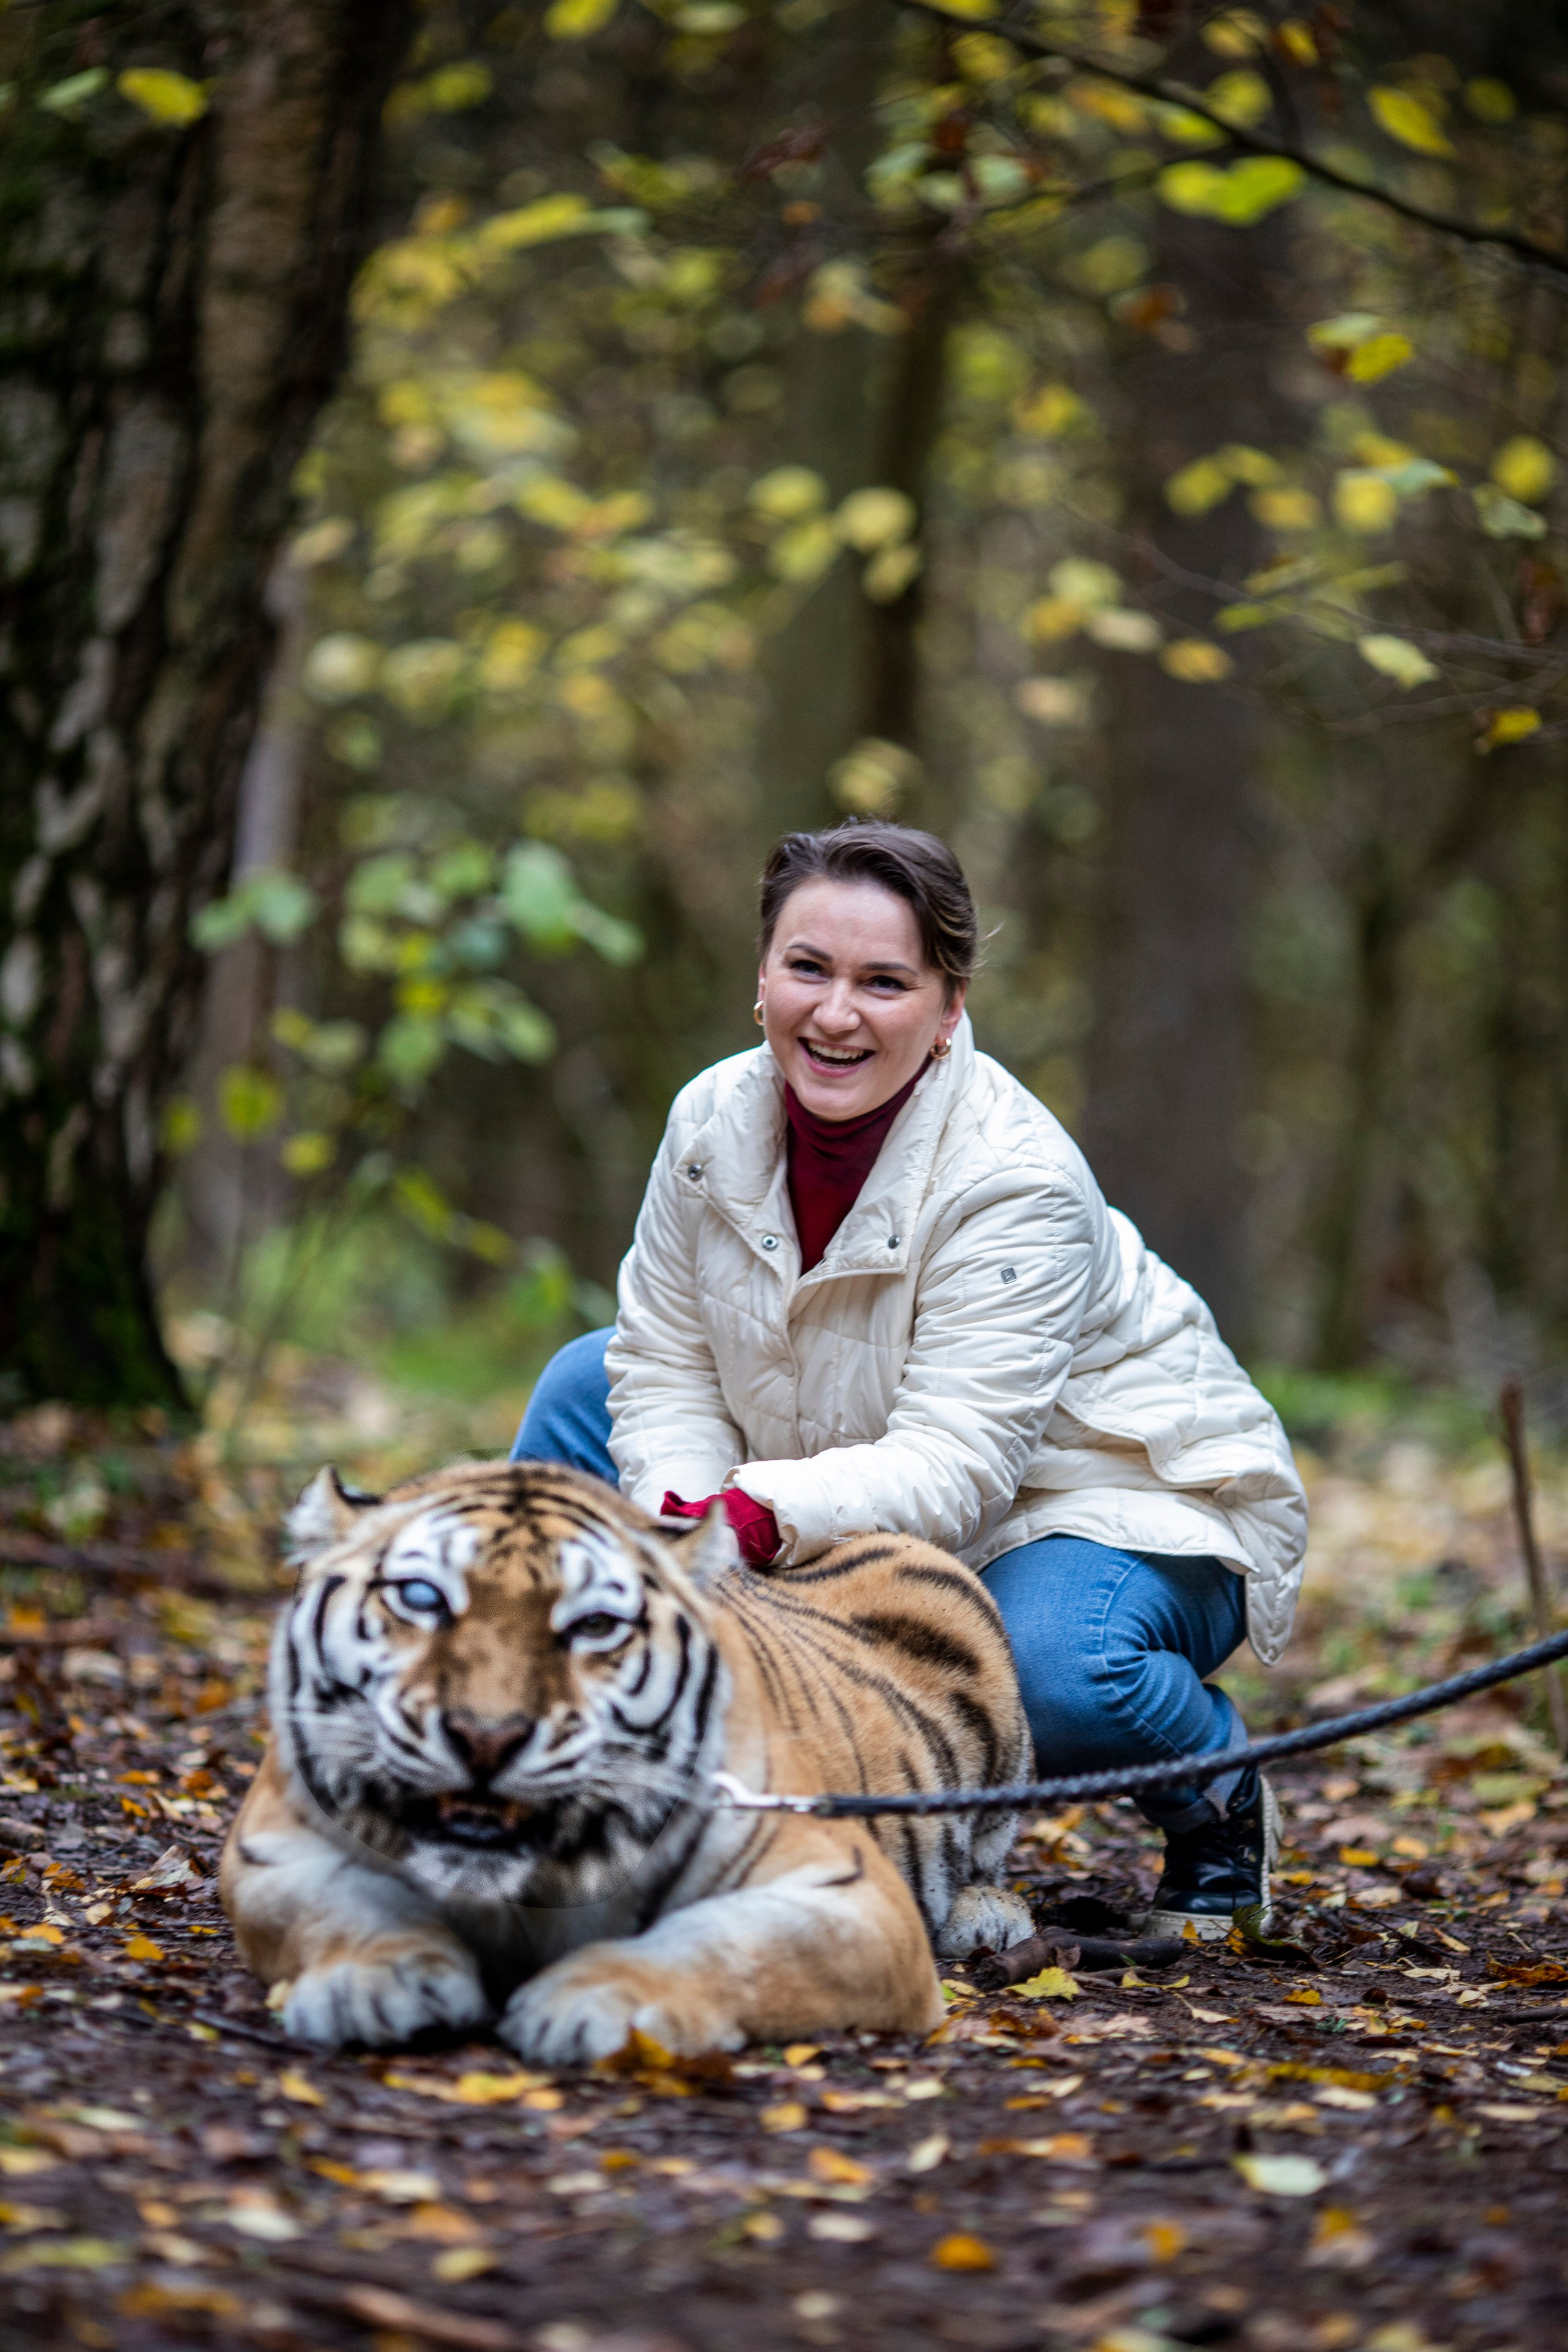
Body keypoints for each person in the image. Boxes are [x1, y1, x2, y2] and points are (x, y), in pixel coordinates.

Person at [512, 820, 1307, 1937]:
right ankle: (556, 1746)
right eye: (808, 968)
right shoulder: (708, 1120)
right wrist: (680, 1519)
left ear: (947, 1008)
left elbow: (959, 1463)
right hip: (849, 1443)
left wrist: (750, 1518)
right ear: (762, 977)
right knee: (579, 1388)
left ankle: (1216, 1791)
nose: (836, 1014)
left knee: (1054, 1675)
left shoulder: (1017, 1178)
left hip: (1110, 1497)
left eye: (883, 982)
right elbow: (666, 1359)